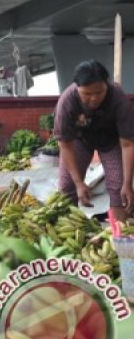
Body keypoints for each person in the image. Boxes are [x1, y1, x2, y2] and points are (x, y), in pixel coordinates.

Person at [54, 60, 134, 222]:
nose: (94, 98)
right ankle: (68, 230)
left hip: (111, 141)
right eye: (87, 94)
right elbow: (65, 145)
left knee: (119, 188)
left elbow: (127, 144)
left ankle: (120, 233)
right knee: (66, 185)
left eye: (99, 92)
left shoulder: (118, 97)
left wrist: (128, 183)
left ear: (107, 85)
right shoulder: (67, 102)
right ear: (77, 88)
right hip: (79, 140)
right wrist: (78, 183)